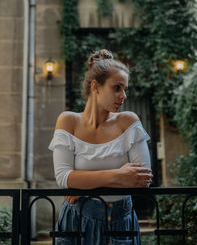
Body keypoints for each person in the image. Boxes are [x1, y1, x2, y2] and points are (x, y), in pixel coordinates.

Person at [49, 49, 153, 245]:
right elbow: (64, 178)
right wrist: (119, 175)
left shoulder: (128, 121)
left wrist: (83, 185)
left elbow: (142, 179)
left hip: (120, 223)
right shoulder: (68, 121)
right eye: (117, 88)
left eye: (125, 89)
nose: (124, 95)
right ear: (96, 86)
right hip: (76, 222)